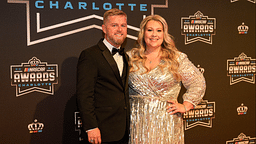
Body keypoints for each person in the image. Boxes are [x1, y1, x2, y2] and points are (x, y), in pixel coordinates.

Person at [128, 15, 206, 144]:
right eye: (150, 30)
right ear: (143, 33)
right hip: (138, 121)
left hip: (167, 121)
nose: (154, 34)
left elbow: (198, 83)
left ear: (164, 34)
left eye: (159, 30)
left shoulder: (176, 58)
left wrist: (186, 106)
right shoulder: (130, 57)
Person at [76, 8, 130, 144]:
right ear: (104, 29)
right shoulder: (90, 55)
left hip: (124, 131)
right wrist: (91, 127)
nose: (119, 29)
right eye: (114, 25)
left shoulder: (126, 56)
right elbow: (84, 94)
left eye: (123, 25)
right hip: (101, 131)